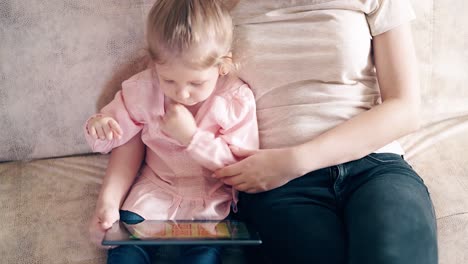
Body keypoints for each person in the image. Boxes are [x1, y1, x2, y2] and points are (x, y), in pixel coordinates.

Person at [211, 0, 439, 263]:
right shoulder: (221, 6)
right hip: (280, 186)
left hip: (375, 166)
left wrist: (296, 160)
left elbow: (405, 108)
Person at [84, 1, 258, 263]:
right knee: (126, 253)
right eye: (169, 80)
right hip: (151, 195)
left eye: (196, 82)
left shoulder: (235, 99)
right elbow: (114, 131)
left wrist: (192, 138)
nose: (182, 93)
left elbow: (241, 167)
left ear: (223, 65)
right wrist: (100, 127)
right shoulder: (143, 89)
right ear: (154, 65)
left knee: (203, 257)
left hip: (209, 205)